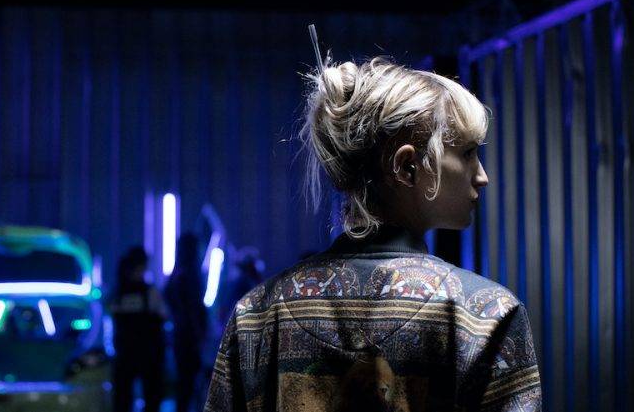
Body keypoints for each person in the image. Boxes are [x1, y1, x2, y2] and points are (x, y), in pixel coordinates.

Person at [203, 49, 541, 411]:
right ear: (407, 167)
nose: (482, 176)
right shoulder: (487, 315)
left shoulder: (256, 314)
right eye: (468, 153)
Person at [110, 246, 168, 412]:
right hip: (149, 353)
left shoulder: (118, 293)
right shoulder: (150, 293)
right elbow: (163, 316)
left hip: (125, 353)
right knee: (152, 397)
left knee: (123, 399)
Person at [164, 232, 210, 412]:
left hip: (180, 333)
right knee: (190, 383)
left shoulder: (176, 275)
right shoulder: (190, 275)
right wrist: (200, 335)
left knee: (184, 383)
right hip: (190, 335)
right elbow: (193, 308)